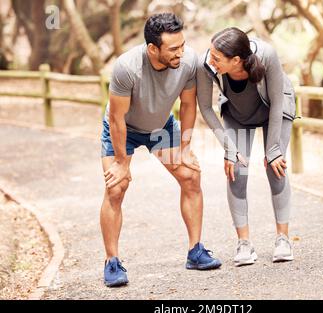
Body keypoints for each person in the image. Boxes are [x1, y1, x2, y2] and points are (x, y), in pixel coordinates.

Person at [100, 13, 221, 287]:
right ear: (153, 48)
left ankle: (196, 251)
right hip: (123, 129)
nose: (181, 52)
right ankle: (112, 262)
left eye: (182, 45)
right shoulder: (127, 67)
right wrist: (121, 162)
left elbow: (188, 104)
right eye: (173, 48)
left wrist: (186, 147)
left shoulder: (188, 60)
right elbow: (117, 119)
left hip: (160, 127)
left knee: (190, 176)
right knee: (115, 188)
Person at [197, 27, 297, 266]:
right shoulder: (208, 65)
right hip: (238, 113)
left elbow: (276, 103)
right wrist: (229, 149)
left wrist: (273, 149)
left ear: (236, 60)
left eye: (217, 58)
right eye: (211, 54)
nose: (211, 60)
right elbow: (206, 108)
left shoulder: (267, 55)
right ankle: (244, 244)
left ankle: (283, 239)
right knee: (236, 173)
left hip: (274, 108)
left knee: (276, 168)